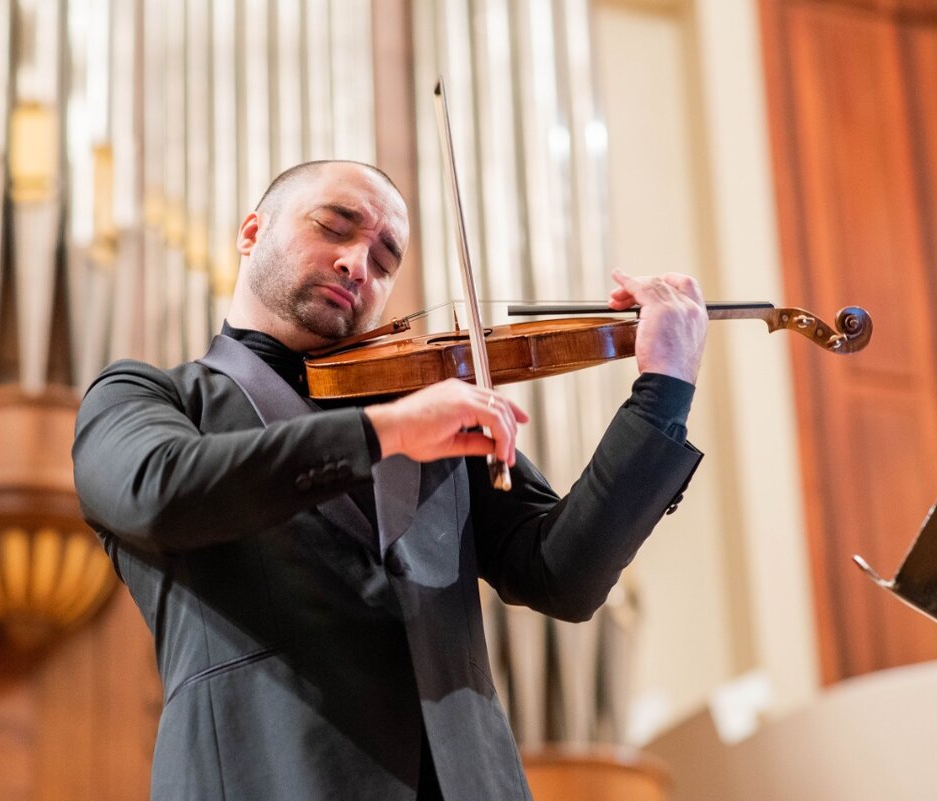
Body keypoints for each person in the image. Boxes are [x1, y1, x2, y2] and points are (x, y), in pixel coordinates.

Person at [72, 160, 707, 801]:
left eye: (384, 260)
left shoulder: (424, 408)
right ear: (251, 232)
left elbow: (561, 576)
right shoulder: (152, 397)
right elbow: (155, 492)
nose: (358, 264)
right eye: (334, 227)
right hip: (264, 775)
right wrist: (385, 432)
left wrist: (663, 393)